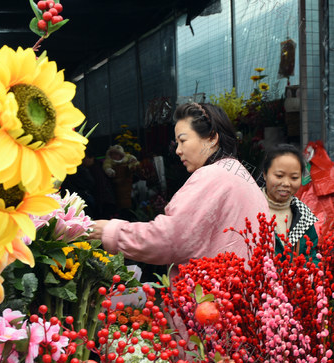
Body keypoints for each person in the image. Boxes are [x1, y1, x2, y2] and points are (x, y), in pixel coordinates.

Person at [88, 103, 267, 273]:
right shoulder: (240, 174)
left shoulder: (212, 176)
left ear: (212, 138)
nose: (178, 150)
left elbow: (170, 239)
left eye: (183, 140)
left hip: (213, 301)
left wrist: (110, 232)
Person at [261, 144, 318, 255]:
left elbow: (311, 256)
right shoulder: (250, 207)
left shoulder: (304, 215)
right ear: (265, 174)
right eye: (279, 176)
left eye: (294, 178)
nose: (286, 183)